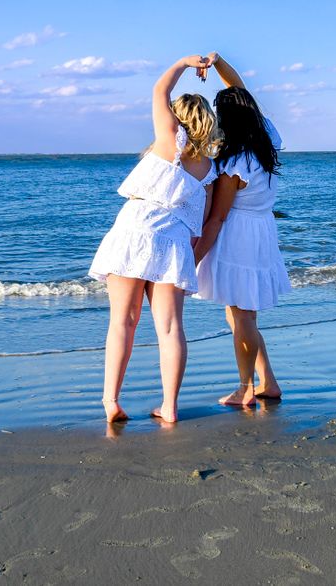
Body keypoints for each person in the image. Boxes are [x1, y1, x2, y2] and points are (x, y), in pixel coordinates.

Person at [89, 55, 220, 424]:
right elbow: (204, 226)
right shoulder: (209, 170)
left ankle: (111, 400)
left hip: (136, 232)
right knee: (170, 328)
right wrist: (189, 260)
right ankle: (170, 407)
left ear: (180, 118)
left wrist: (184, 63)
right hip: (175, 243)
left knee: (122, 322)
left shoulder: (169, 140)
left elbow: (159, 89)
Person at [194, 52, 291, 408]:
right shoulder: (268, 144)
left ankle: (245, 388)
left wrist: (191, 259)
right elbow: (240, 89)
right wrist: (217, 61)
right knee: (240, 312)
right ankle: (268, 382)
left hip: (238, 238)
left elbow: (217, 219)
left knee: (243, 315)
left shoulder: (234, 164)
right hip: (262, 232)